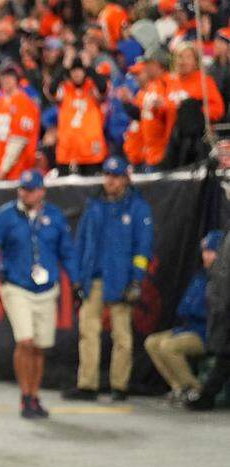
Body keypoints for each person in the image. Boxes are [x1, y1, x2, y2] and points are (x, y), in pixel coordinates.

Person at [0, 170, 80, 417]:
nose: (25, 193)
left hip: (46, 289)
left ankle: (34, 395)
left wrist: (77, 283)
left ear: (42, 191)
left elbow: (66, 251)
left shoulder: (54, 217)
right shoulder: (5, 215)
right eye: (22, 189)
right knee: (25, 341)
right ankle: (25, 396)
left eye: (31, 189)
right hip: (16, 286)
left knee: (39, 347)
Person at [64, 156, 153, 402]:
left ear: (126, 178)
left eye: (115, 176)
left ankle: (119, 386)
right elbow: (80, 242)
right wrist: (78, 278)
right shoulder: (94, 205)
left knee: (122, 335)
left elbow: (143, 249)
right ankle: (87, 385)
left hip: (121, 280)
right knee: (87, 331)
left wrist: (136, 281)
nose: (110, 180)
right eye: (107, 175)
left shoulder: (138, 208)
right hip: (93, 278)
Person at [144, 231, 221, 403]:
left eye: (211, 252)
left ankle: (195, 389)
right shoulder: (200, 276)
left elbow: (213, 312)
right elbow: (184, 308)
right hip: (188, 327)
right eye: (205, 251)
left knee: (168, 347)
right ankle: (178, 387)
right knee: (152, 342)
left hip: (206, 333)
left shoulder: (221, 279)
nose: (206, 256)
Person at [187, 229, 230, 410]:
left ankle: (207, 396)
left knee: (225, 356)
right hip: (224, 309)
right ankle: (206, 396)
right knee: (225, 356)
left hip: (223, 308)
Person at [0, 64, 40, 181]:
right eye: (4, 76)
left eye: (10, 77)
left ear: (17, 80)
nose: (6, 80)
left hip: (18, 172)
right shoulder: (0, 102)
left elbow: (18, 141)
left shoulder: (24, 103)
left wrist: (3, 171)